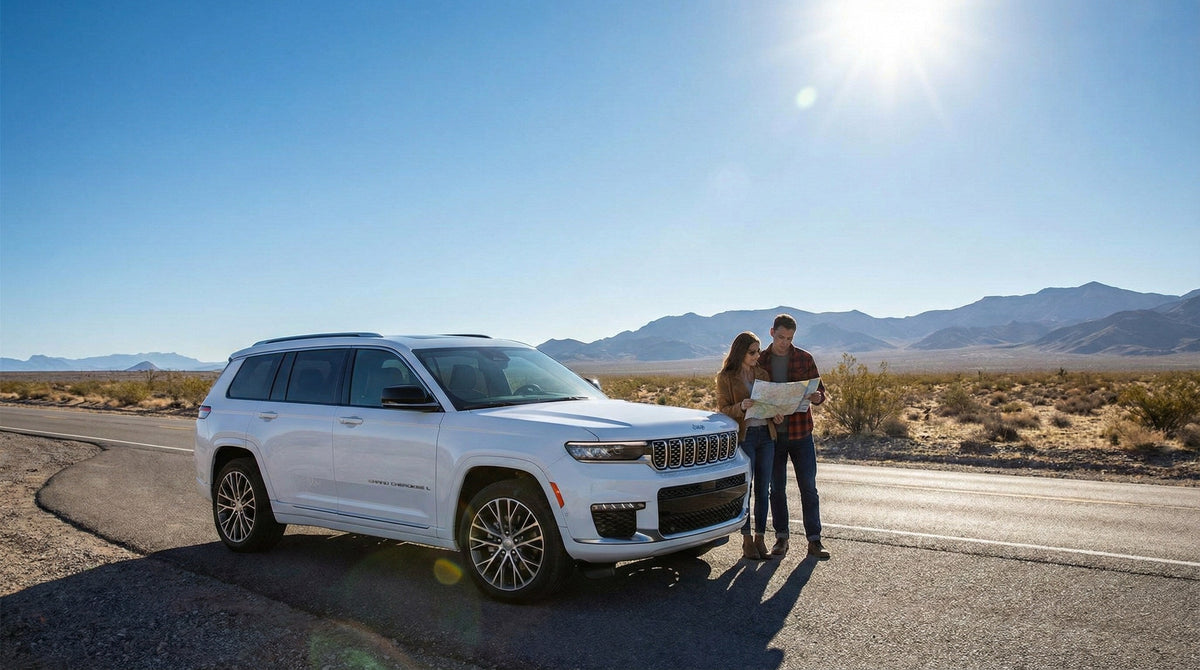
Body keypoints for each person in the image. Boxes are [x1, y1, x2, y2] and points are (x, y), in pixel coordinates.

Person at [757, 314, 831, 560]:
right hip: (773, 436)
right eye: (781, 337)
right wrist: (769, 414)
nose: (784, 343)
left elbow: (820, 389)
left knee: (808, 487)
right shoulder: (762, 361)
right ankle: (782, 537)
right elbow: (757, 398)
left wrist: (818, 397)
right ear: (771, 332)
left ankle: (814, 540)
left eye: (789, 338)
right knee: (776, 488)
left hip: (802, 433)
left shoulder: (804, 358)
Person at [715, 331, 782, 560]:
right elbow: (723, 410)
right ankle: (746, 541)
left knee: (764, 490)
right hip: (746, 437)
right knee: (748, 489)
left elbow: (771, 403)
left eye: (758, 351)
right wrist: (741, 407)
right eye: (752, 352)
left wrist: (776, 415)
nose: (757, 355)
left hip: (766, 435)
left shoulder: (763, 374)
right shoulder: (726, 377)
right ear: (740, 352)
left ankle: (760, 539)